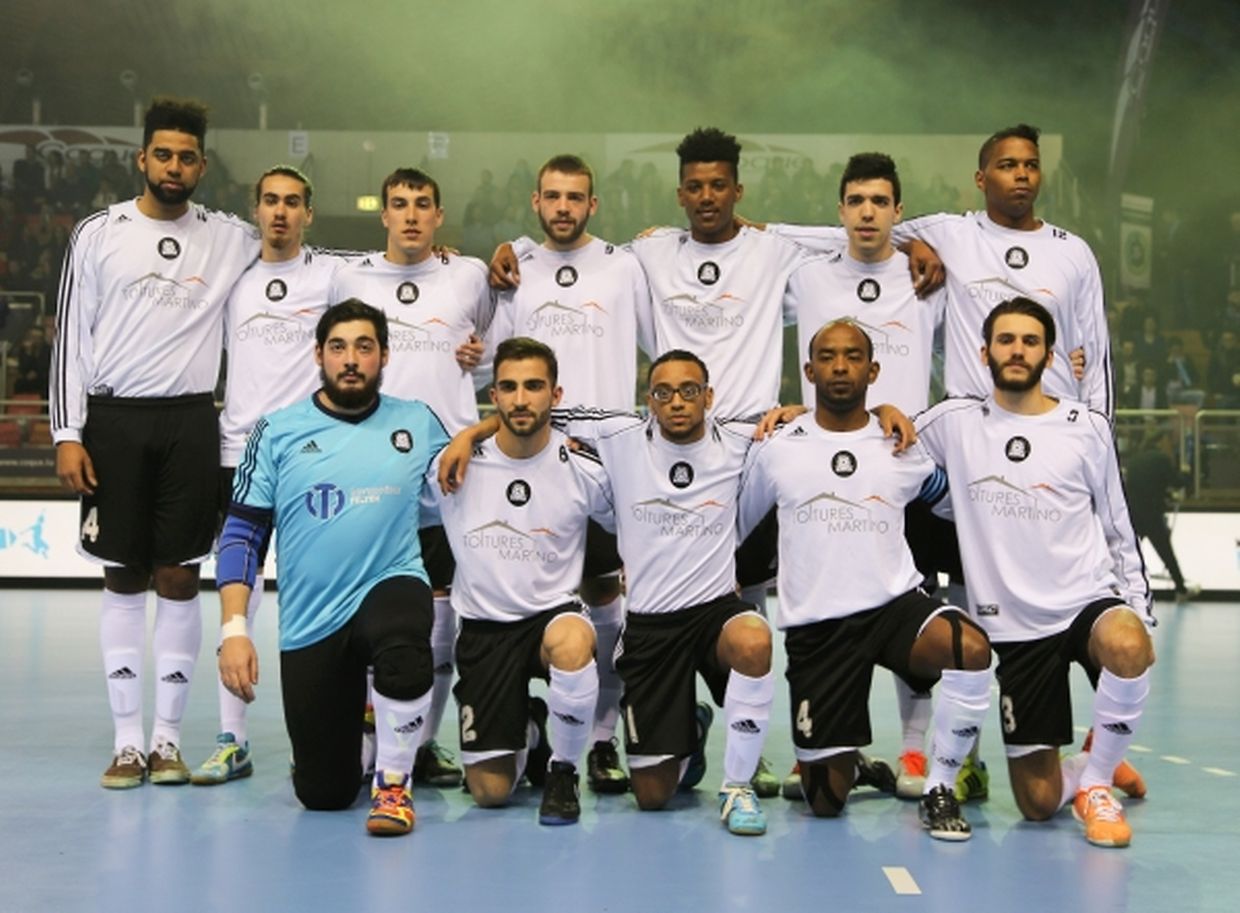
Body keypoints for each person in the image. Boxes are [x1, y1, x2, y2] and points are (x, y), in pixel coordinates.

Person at [440, 349, 783, 835]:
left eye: (689, 391)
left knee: (754, 638)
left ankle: (738, 786)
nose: (677, 402)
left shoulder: (743, 439)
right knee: (649, 797)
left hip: (714, 614)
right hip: (650, 628)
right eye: (664, 393)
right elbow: (529, 413)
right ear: (649, 402)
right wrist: (469, 434)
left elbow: (810, 426)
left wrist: (870, 413)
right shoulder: (617, 437)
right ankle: (683, 731)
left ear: (709, 397)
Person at [50, 97, 259, 788]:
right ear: (141, 158)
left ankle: (167, 739)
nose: (175, 166)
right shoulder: (97, 232)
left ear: (203, 164)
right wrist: (66, 432)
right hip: (113, 423)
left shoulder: (229, 236)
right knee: (122, 575)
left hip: (190, 422)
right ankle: (126, 741)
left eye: (188, 156)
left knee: (177, 576)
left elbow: (303, 247)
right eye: (163, 154)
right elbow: (70, 341)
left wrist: (423, 253)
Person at [738, 319, 992, 841]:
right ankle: (852, 767)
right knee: (824, 804)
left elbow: (949, 506)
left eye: (853, 356)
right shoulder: (777, 446)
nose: (839, 366)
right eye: (827, 357)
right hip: (818, 627)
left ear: (872, 370)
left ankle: (939, 787)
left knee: (970, 647)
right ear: (808, 370)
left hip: (893, 608)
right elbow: (739, 526)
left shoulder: (900, 444)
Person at [916, 298, 1155, 848]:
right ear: (984, 353)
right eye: (1006, 340)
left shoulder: (1084, 427)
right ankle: (1097, 759)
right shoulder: (953, 423)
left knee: (1125, 642)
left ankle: (1096, 783)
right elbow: (882, 437)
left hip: (1085, 603)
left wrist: (1139, 613)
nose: (1017, 350)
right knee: (1039, 805)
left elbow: (1119, 523)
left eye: (1029, 341)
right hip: (1015, 630)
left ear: (1049, 355)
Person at [217, 300, 446, 836]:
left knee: (405, 639)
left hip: (390, 581)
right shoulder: (276, 431)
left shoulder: (417, 421)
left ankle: (393, 783)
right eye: (338, 347)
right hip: (312, 618)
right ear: (319, 355)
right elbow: (241, 534)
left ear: (384, 356)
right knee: (323, 794)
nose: (351, 359)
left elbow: (468, 480)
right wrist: (234, 630)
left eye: (364, 347)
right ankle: (365, 739)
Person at [486, 154, 655, 794]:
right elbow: (489, 362)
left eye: (575, 197)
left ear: (594, 205)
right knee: (525, 589)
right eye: (552, 196)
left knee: (607, 594)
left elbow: (662, 343)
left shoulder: (623, 266)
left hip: (607, 457)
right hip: (533, 454)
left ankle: (604, 739)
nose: (563, 207)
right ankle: (532, 720)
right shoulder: (515, 268)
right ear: (535, 202)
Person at [783, 152, 949, 800]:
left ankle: (913, 754)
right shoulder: (808, 277)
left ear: (899, 211)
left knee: (916, 618)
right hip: (821, 470)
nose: (868, 212)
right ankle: (823, 745)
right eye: (856, 200)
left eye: (882, 201)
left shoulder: (928, 275)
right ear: (841, 210)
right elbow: (765, 238)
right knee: (819, 611)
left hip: (902, 471)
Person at [332, 167, 495, 788]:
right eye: (398, 204)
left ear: (438, 216)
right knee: (377, 613)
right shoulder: (350, 277)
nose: (409, 215)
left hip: (449, 472)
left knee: (443, 618)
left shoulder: (468, 274)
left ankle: (423, 744)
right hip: (373, 474)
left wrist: (478, 362)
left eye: (421, 205)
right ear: (383, 215)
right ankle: (375, 729)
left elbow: (484, 353)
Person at [771, 124, 1113, 417]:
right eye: (1008, 165)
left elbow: (1095, 361)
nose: (1021, 174)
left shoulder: (1074, 251)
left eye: (1031, 165)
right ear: (981, 178)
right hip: (972, 425)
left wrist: (1099, 438)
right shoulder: (950, 234)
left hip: (1053, 417)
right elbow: (859, 236)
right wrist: (750, 230)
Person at [191, 165, 344, 785]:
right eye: (271, 201)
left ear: (310, 213)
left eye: (293, 203)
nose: (281, 212)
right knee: (240, 599)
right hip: (239, 456)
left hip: (313, 460)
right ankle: (233, 738)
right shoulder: (233, 277)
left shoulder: (334, 273)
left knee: (332, 599)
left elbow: (399, 270)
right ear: (255, 209)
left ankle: (345, 732)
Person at [429, 337, 613, 826]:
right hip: (485, 628)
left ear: (556, 395)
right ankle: (531, 727)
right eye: (507, 387)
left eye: (534, 386)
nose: (520, 398)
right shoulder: (453, 466)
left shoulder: (585, 469)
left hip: (551, 617)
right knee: (490, 794)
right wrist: (469, 435)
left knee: (575, 643)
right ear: (494, 397)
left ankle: (563, 771)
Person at [1125, 429, 1199, 602]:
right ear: (1161, 441)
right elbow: (1175, 481)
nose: (1170, 445)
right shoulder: (1161, 459)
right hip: (1152, 514)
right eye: (1168, 441)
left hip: (1133, 513)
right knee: (1166, 552)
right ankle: (1181, 590)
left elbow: (1142, 485)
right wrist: (1187, 474)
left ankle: (1116, 589)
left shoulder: (1135, 459)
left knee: (1129, 553)